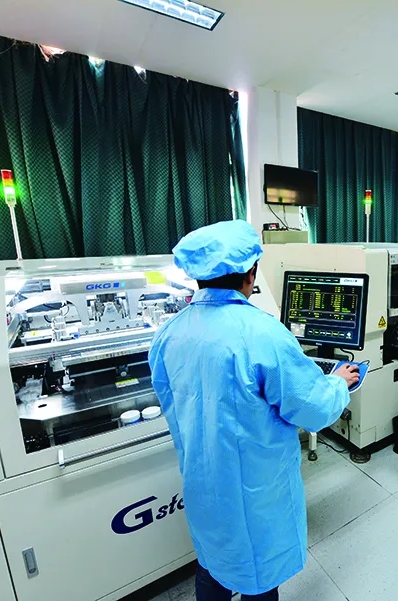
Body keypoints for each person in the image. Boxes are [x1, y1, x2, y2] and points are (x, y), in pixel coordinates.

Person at [148, 220, 358, 601]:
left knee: (212, 565)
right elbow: (314, 408)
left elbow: (174, 405)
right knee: (258, 576)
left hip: (203, 486)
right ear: (252, 274)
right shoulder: (263, 334)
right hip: (256, 497)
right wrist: (340, 383)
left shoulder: (168, 335)